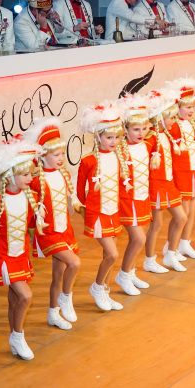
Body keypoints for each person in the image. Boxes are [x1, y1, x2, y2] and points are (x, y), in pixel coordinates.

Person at [0, 137, 44, 360]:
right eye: (24, 174)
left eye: (30, 174)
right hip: (3, 255)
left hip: (21, 253)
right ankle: (18, 335)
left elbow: (31, 224)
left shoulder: (32, 197)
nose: (30, 178)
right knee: (26, 296)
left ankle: (13, 336)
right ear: (9, 175)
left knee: (15, 298)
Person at [24, 117, 81, 331]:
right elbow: (29, 211)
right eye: (56, 155)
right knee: (75, 263)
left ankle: (53, 313)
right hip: (48, 233)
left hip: (65, 229)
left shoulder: (63, 174)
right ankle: (66, 296)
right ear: (43, 156)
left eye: (62, 154)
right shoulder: (36, 181)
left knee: (59, 274)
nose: (61, 158)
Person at [76, 102, 126, 312]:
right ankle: (97, 287)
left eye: (116, 137)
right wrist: (87, 209)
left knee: (109, 256)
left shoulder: (118, 156)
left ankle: (105, 290)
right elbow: (80, 191)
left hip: (114, 211)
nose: (114, 141)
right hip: (98, 213)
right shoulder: (88, 161)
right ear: (98, 137)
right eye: (109, 137)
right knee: (113, 254)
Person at [114, 94, 154, 294]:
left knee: (140, 238)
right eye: (136, 129)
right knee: (138, 238)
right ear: (126, 129)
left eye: (144, 128)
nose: (141, 133)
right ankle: (122, 275)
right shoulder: (120, 151)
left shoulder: (147, 145)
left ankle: (130, 272)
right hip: (127, 200)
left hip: (143, 197)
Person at [144, 89, 187, 272]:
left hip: (168, 183)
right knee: (157, 224)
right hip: (156, 185)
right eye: (171, 117)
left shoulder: (166, 135)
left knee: (181, 217)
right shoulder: (150, 139)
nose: (174, 121)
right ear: (159, 118)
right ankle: (149, 260)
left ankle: (170, 253)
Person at [165, 77, 195, 259]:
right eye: (187, 107)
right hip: (181, 172)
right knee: (185, 211)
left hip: (193, 170)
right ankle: (170, 245)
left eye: (193, 107)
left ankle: (185, 242)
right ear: (177, 107)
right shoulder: (174, 127)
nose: (191, 110)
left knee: (193, 208)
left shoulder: (191, 124)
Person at [14, 0, 79, 51]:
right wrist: (43, 28)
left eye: (50, 8)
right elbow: (35, 47)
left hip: (53, 51)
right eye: (46, 11)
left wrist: (57, 21)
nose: (50, 12)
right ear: (35, 9)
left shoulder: (47, 12)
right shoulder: (20, 23)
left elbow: (60, 31)